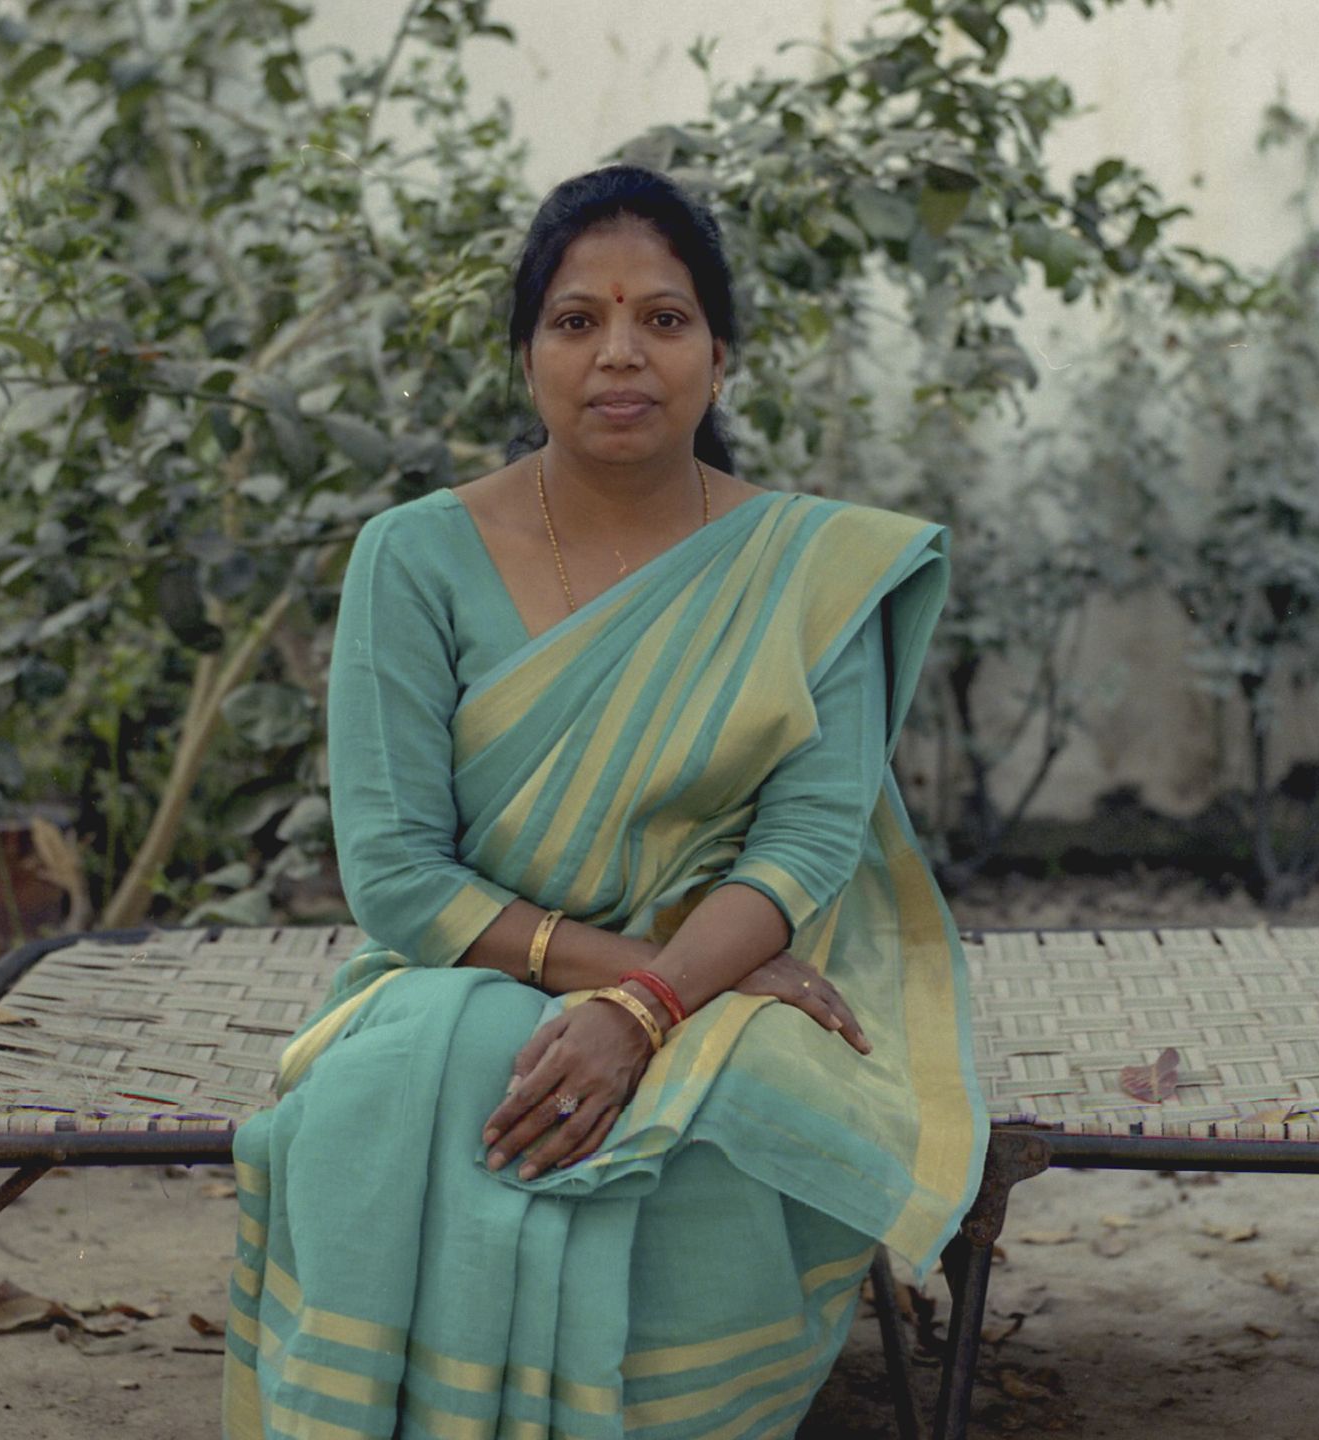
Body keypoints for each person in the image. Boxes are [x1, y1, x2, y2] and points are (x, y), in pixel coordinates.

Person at [223, 164, 987, 1439]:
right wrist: (644, 984)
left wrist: (652, 1008)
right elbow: (399, 876)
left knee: (717, 1116)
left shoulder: (811, 569)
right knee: (418, 1065)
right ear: (526, 358)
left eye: (663, 318)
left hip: (730, 974)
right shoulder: (414, 557)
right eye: (577, 320)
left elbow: (805, 842)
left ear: (720, 356)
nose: (620, 353)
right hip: (481, 966)